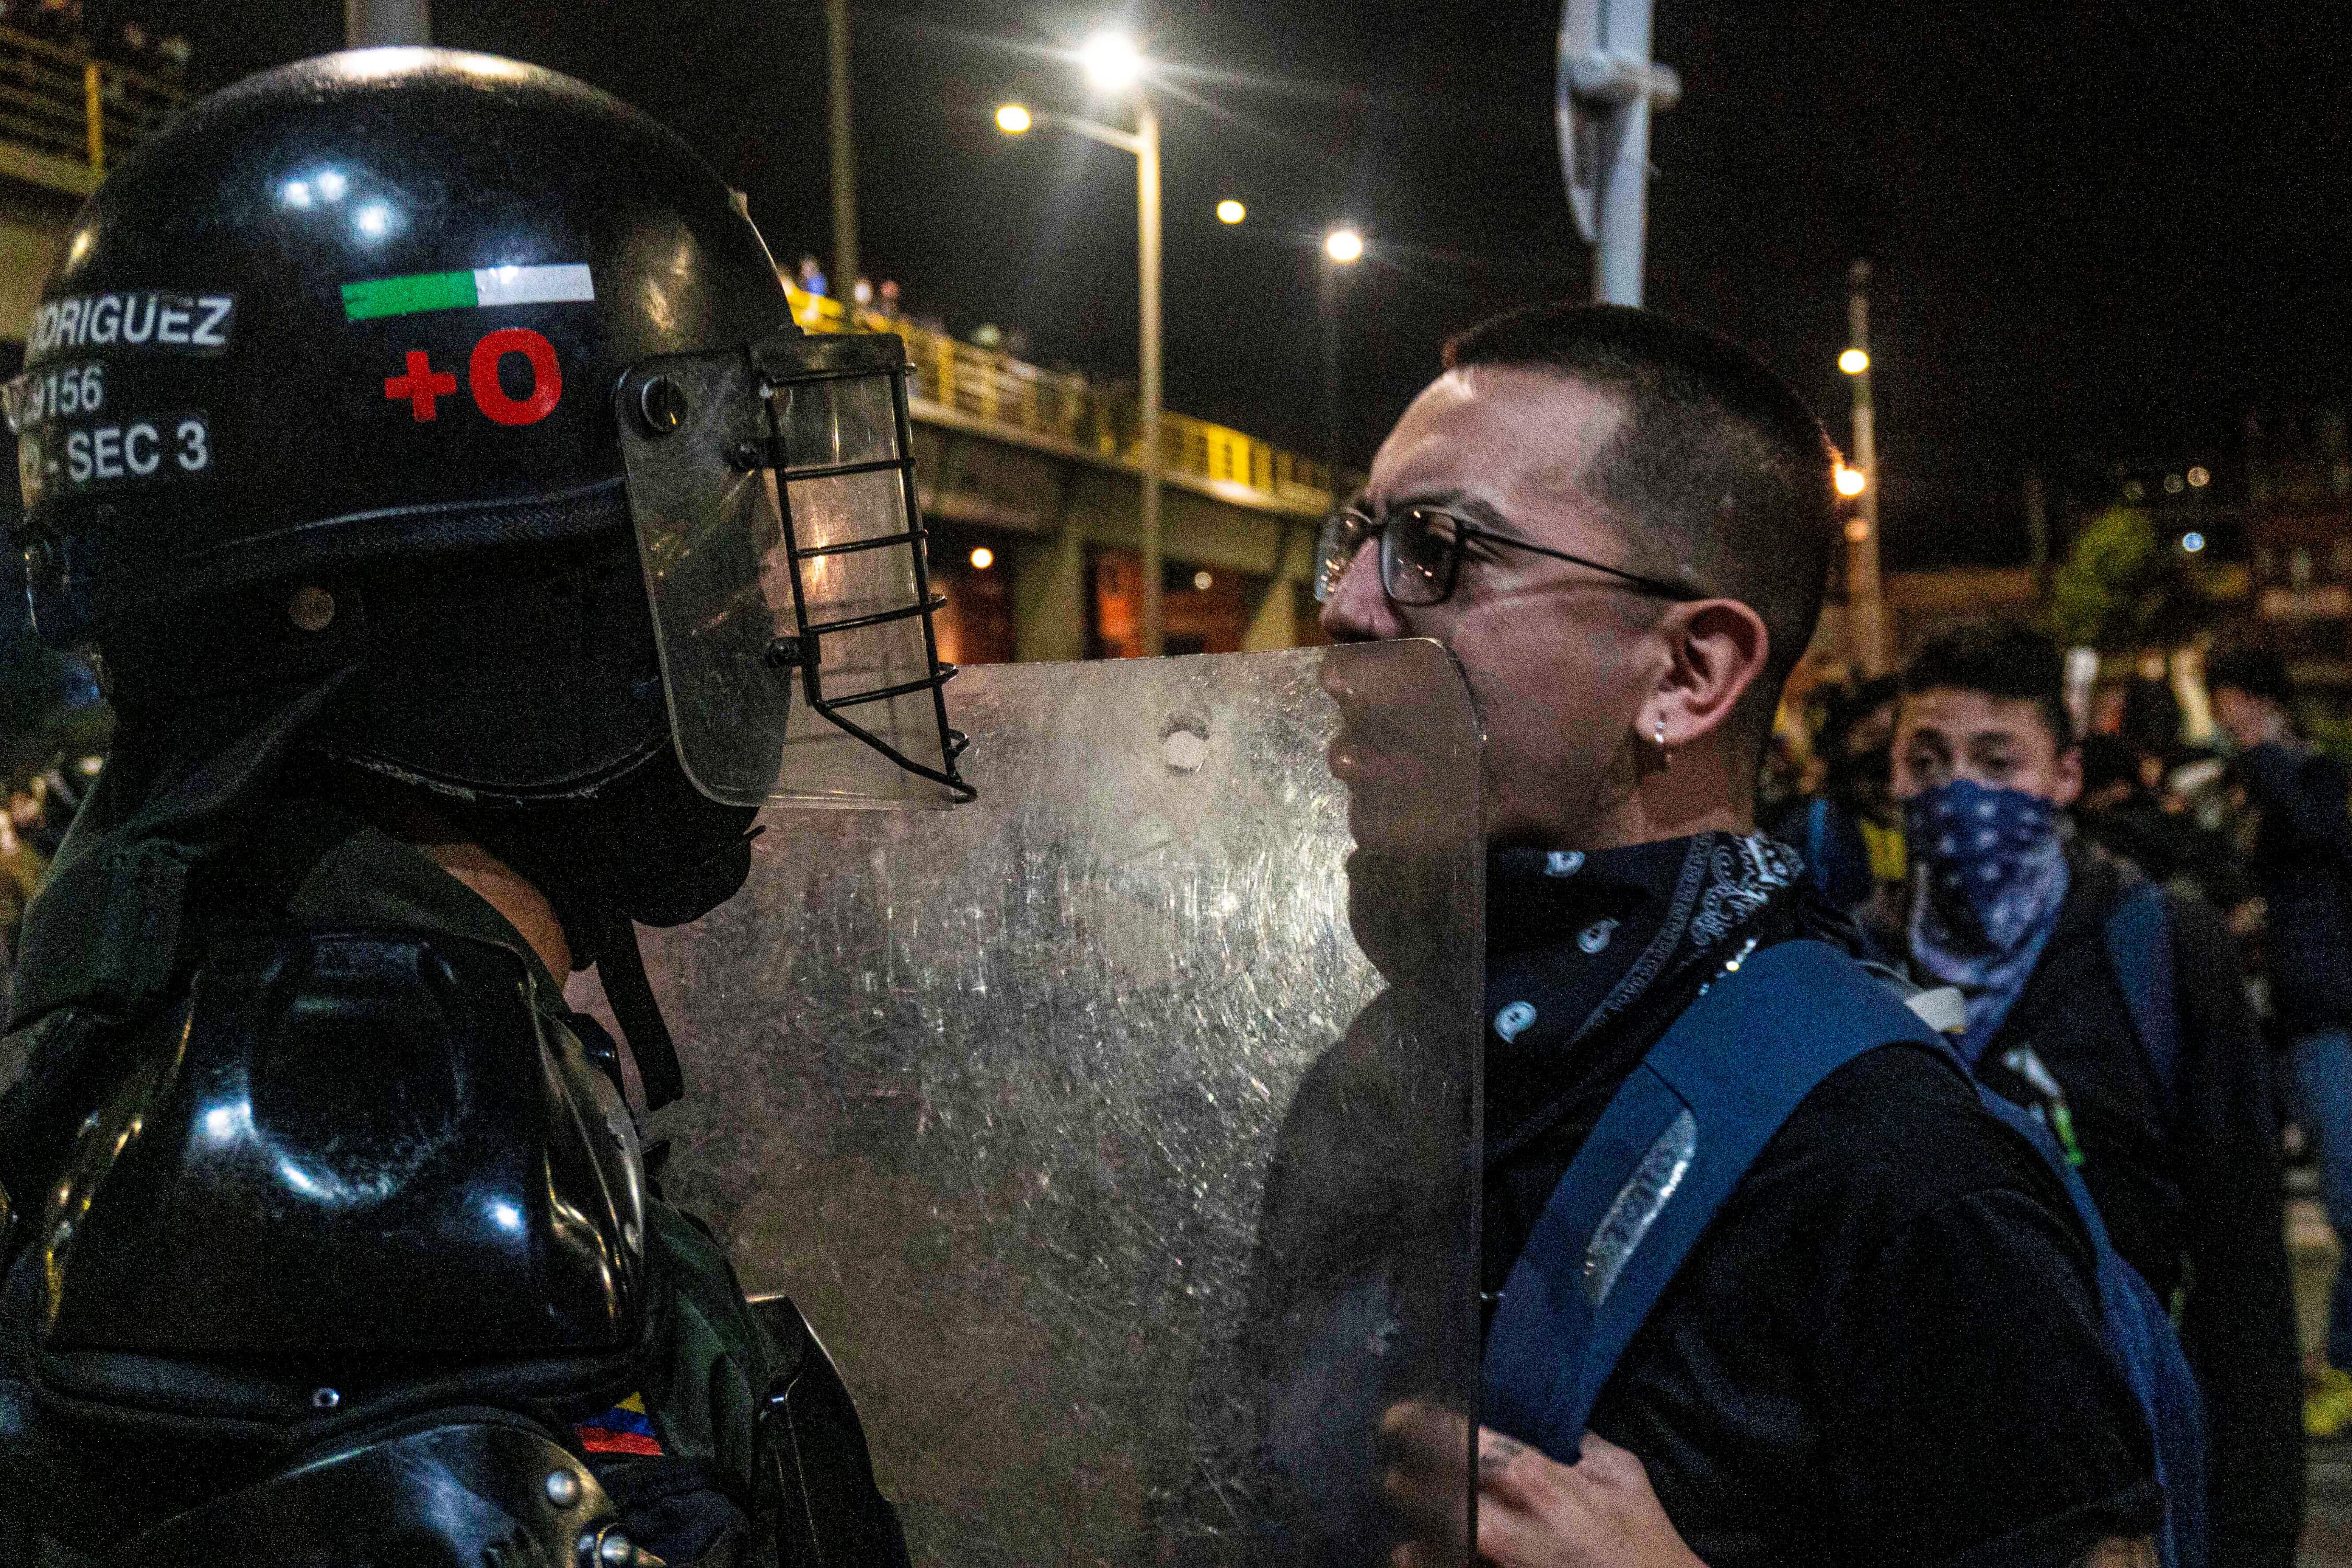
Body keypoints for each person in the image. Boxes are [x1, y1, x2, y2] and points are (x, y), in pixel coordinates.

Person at [0, 49, 969, 1564]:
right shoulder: (392, 1194)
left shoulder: (160, 1021)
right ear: (507, 599)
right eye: (711, 526)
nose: (772, 601)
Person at [1324, 302, 2159, 1567]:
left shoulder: (1898, 1174)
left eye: (1437, 549)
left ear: (1688, 677)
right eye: (1356, 537)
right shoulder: (1364, 1070)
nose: (1345, 602)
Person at [1890, 622, 2302, 1566]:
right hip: (1915, 1494)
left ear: (2064, 778)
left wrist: (2250, 1534)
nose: (1962, 792)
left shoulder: (2160, 953)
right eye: (1929, 759)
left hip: (2122, 1489)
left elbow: (2242, 1269)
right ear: (1894, 781)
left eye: (1999, 761)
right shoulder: (1853, 966)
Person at [2207, 646, 2352, 1438]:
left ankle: (2338, 1365)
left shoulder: (2305, 773)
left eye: (2226, 700)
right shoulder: (2246, 782)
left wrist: (2266, 758)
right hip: (2280, 1012)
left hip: (2326, 1006)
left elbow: (2321, 839)